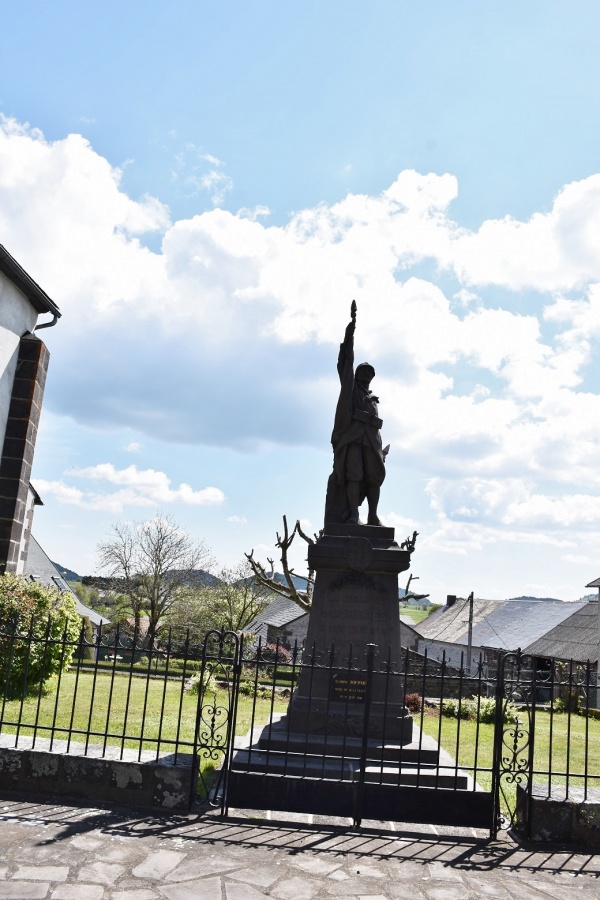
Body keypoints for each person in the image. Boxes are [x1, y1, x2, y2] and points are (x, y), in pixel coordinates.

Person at [324, 302, 388, 526]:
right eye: (364, 372)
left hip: (371, 440)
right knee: (354, 475)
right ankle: (353, 515)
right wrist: (349, 335)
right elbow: (345, 363)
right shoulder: (350, 389)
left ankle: (372, 515)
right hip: (352, 437)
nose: (367, 375)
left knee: (374, 476)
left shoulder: (372, 398)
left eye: (370, 373)